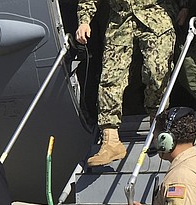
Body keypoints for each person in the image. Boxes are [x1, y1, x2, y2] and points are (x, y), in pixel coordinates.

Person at [76, 0, 177, 166]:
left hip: (155, 17)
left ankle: (157, 124)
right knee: (110, 78)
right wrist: (84, 21)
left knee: (156, 73)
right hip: (120, 22)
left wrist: (184, 7)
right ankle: (111, 141)